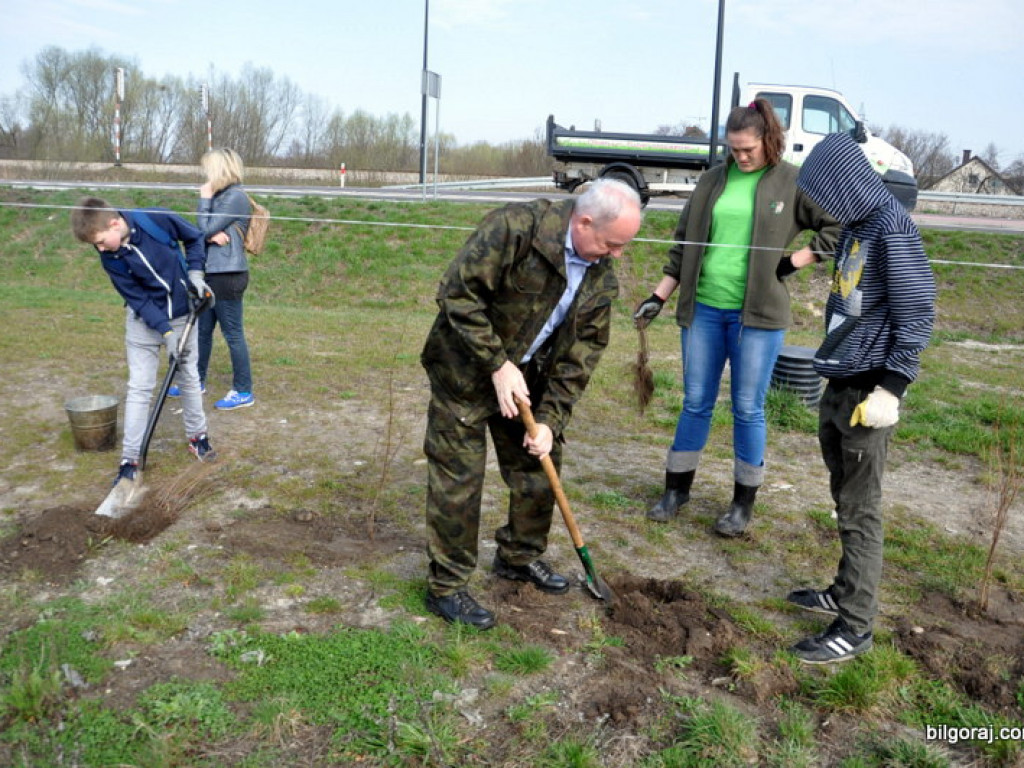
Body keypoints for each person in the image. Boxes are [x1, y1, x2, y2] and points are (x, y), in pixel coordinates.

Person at [421, 179, 644, 629]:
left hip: (528, 379)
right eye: (610, 243)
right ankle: (447, 586)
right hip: (464, 370)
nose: (616, 255)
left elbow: (581, 358)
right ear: (583, 222)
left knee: (539, 461)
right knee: (459, 477)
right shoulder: (517, 227)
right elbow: (457, 294)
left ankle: (519, 557)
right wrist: (497, 364)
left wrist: (548, 420)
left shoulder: (600, 277)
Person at [634, 99, 839, 536]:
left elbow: (838, 227)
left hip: (759, 317)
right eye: (734, 149)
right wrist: (660, 295)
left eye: (748, 149)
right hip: (704, 309)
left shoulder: (792, 181)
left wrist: (793, 262)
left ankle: (742, 504)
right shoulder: (712, 181)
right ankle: (676, 490)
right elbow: (683, 244)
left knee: (747, 407)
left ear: (769, 139)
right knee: (695, 402)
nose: (740, 156)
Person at [784, 132, 935, 663]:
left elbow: (918, 312)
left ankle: (855, 628)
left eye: (827, 189)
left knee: (860, 510)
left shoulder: (893, 229)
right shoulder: (856, 229)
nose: (823, 202)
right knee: (842, 498)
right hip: (840, 382)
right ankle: (843, 593)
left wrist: (892, 388)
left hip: (870, 391)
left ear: (848, 181)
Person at [71, 197, 218, 484]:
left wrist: (196, 273)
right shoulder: (109, 257)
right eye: (95, 245)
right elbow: (137, 298)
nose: (99, 249)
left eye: (101, 241)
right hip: (143, 323)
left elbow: (195, 238)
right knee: (140, 388)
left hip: (182, 314)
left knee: (188, 377)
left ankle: (198, 437)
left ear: (115, 223)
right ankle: (130, 460)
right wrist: (165, 332)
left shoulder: (156, 218)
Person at [170, 148, 255, 410]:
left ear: (220, 169)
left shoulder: (235, 197)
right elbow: (202, 232)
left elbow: (202, 228)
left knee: (233, 334)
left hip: (227, 275)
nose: (205, 174)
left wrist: (204, 200)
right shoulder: (222, 197)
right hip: (210, 274)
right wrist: (207, 235)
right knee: (203, 332)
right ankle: (197, 381)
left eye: (209, 168)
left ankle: (243, 391)